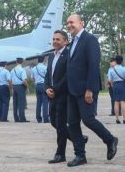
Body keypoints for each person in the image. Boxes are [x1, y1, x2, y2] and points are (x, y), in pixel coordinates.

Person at [65, 13, 118, 167]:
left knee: (88, 119)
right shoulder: (73, 42)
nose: (69, 25)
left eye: (72, 22)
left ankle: (110, 139)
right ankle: (80, 155)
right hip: (71, 90)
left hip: (85, 90)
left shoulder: (89, 40)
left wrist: (90, 90)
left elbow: (93, 66)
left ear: (81, 23)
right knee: (73, 123)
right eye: (67, 23)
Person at [45, 30, 89, 164]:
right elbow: (48, 74)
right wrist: (47, 87)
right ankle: (79, 139)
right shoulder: (51, 56)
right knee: (54, 122)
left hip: (63, 95)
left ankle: (60, 154)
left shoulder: (69, 54)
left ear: (65, 41)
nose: (55, 42)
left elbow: (67, 76)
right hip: (51, 95)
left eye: (58, 39)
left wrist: (55, 89)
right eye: (53, 39)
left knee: (61, 126)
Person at [107, 55, 125, 124]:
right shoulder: (124, 69)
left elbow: (109, 80)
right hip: (122, 85)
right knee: (123, 102)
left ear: (115, 61)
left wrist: (112, 85)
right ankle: (124, 119)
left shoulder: (111, 69)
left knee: (116, 102)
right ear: (122, 61)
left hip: (115, 85)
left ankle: (117, 119)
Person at [31, 56, 49, 123]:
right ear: (43, 60)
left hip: (37, 86)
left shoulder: (34, 68)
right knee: (45, 102)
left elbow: (32, 79)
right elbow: (48, 77)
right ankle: (46, 119)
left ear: (37, 60)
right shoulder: (45, 67)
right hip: (44, 85)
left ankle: (38, 118)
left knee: (38, 102)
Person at [10, 58, 29, 122]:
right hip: (20, 87)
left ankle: (16, 118)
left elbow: (11, 81)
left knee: (15, 103)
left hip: (14, 87)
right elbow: (24, 81)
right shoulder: (22, 70)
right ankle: (22, 118)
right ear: (22, 62)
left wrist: (12, 88)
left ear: (16, 62)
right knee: (21, 103)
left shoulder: (12, 70)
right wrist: (27, 87)